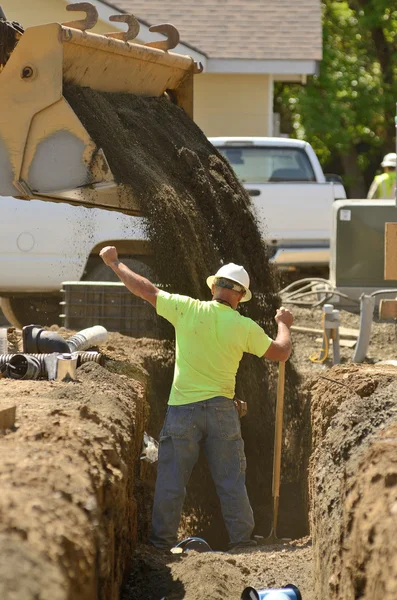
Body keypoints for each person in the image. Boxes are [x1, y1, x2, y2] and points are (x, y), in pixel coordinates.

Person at [99, 246, 293, 550]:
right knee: (231, 481)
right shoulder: (244, 327)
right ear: (240, 297)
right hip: (222, 413)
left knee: (171, 483)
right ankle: (242, 540)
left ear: (214, 287)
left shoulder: (187, 308)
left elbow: (145, 289)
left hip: (182, 411)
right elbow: (281, 352)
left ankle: (162, 545)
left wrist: (114, 263)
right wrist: (284, 323)